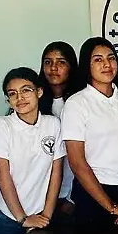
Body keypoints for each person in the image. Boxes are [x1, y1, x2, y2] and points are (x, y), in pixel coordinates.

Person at [62, 37, 118, 226]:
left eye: (111, 58)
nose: (107, 64)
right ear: (86, 66)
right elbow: (77, 162)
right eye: (98, 59)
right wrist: (111, 207)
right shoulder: (76, 104)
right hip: (93, 194)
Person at [0, 68, 63, 234]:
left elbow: (56, 173)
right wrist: (23, 219)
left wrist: (46, 216)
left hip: (42, 214)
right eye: (12, 94)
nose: (19, 98)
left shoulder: (53, 124)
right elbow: (2, 174)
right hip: (8, 216)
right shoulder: (1, 125)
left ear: (39, 92)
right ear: (8, 100)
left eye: (26, 90)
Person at [39, 41, 80, 217]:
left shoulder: (81, 101)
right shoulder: (33, 102)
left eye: (61, 62)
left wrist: (72, 197)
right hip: (39, 196)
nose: (53, 68)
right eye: (48, 62)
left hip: (74, 192)